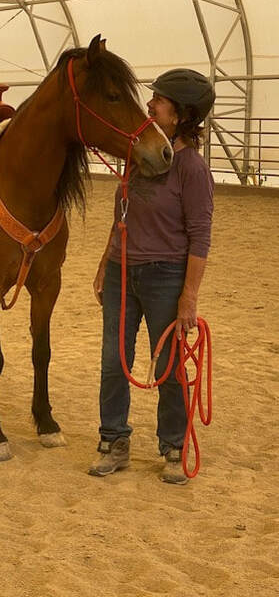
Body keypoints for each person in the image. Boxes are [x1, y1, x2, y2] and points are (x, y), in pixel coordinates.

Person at [88, 68, 215, 484]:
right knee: (113, 361)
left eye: (158, 100)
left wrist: (188, 297)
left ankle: (173, 447)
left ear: (178, 115)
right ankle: (113, 442)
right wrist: (105, 264)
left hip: (166, 276)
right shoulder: (140, 156)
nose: (150, 104)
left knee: (170, 367)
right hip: (122, 273)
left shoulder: (191, 169)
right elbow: (120, 213)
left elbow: (200, 236)